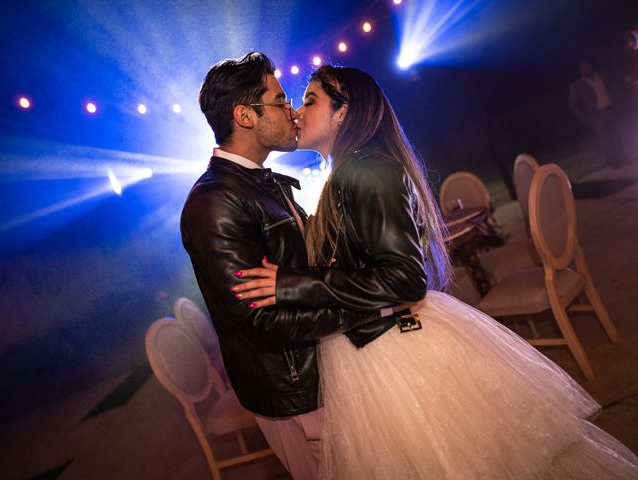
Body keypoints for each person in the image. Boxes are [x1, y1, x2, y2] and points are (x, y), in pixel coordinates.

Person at [234, 65, 638, 479]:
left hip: (395, 349)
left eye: (310, 100)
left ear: (343, 112)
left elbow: (403, 279)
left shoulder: (369, 170)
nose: (298, 112)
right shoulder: (350, 171)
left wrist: (294, 285)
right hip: (369, 343)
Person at [180, 52, 408, 480]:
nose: (292, 111)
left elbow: (307, 268)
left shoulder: (261, 184)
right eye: (281, 100)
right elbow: (261, 324)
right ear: (246, 116)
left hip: (324, 372)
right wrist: (370, 309)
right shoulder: (215, 203)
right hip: (296, 390)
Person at [569, 58, 628, 168]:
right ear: (580, 70)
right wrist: (585, 118)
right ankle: (613, 162)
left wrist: (618, 102)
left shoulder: (601, 76)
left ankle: (622, 157)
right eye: (583, 67)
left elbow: (613, 88)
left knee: (616, 135)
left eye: (588, 65)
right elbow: (574, 105)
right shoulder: (576, 85)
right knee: (605, 139)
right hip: (596, 116)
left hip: (610, 109)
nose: (586, 68)